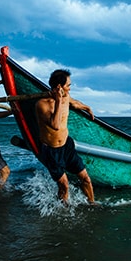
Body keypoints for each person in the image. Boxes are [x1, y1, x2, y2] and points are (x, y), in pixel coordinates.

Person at [35, 69, 96, 204]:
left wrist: (87, 108)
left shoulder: (66, 97)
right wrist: (57, 100)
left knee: (85, 178)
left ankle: (93, 204)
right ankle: (63, 211)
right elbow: (55, 125)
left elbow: (75, 103)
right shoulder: (42, 104)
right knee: (64, 185)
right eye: (68, 85)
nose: (69, 88)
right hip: (52, 151)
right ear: (59, 87)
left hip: (67, 146)